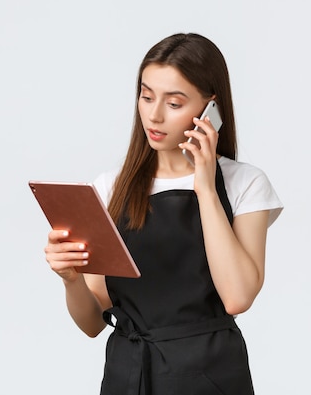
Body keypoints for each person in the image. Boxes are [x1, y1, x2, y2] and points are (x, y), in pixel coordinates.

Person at [44, 33, 283, 395]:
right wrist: (70, 279)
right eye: (146, 96)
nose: (153, 115)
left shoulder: (243, 184)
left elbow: (238, 297)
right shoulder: (111, 188)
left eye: (173, 103)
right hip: (129, 377)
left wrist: (204, 188)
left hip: (210, 376)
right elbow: (93, 321)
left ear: (210, 109)